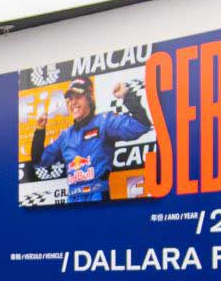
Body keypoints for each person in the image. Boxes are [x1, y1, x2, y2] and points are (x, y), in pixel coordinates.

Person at [32, 75, 151, 204]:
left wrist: (127, 96)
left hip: (98, 197)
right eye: (70, 99)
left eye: (78, 97)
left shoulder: (104, 122)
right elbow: (39, 161)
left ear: (90, 98)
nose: (73, 102)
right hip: (73, 200)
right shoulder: (65, 136)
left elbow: (140, 126)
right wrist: (39, 130)